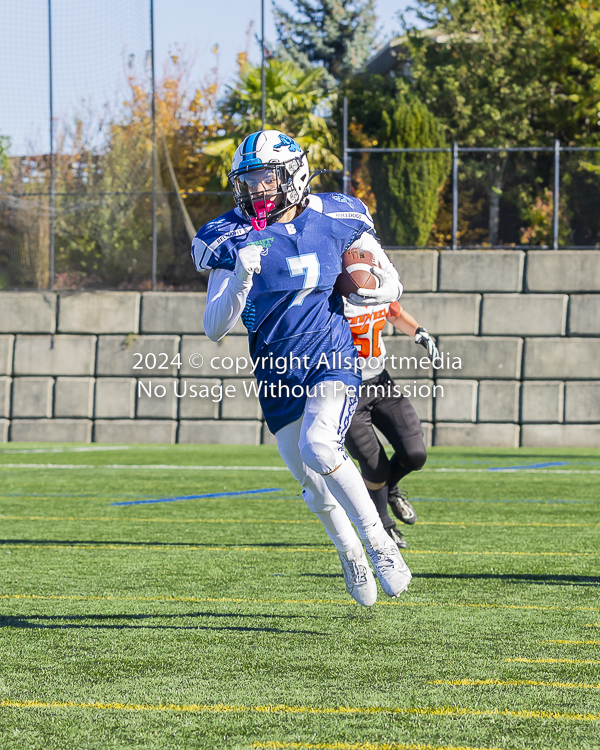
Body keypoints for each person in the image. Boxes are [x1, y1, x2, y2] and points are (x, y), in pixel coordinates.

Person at [192, 129, 411, 607]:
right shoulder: (228, 236)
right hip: (276, 370)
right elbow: (214, 327)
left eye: (266, 178)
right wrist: (240, 279)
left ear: (292, 175)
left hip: (331, 357)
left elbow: (389, 276)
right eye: (247, 181)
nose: (256, 190)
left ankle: (380, 542)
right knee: (312, 487)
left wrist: (383, 290)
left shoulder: (336, 215)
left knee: (319, 444)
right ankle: (349, 551)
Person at [344, 299, 440, 548]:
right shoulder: (328, 293)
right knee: (375, 468)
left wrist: (419, 331)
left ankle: (391, 490)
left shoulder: (370, 286)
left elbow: (393, 312)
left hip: (380, 382)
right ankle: (385, 526)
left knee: (415, 454)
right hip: (344, 390)